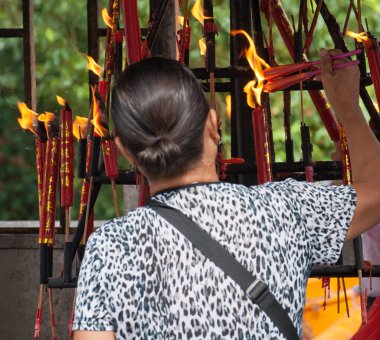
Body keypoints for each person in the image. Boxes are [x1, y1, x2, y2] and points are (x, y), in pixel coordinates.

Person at [72, 50, 380, 339]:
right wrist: (348, 109)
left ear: (124, 150)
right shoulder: (286, 211)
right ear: (213, 126)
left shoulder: (110, 247)